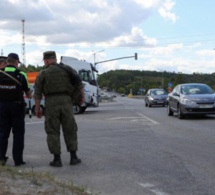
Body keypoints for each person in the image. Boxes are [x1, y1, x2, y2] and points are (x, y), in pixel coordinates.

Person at [34, 51, 84, 167]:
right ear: (55, 59)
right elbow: (79, 84)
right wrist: (82, 97)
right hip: (66, 102)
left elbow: (37, 93)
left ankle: (57, 160)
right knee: (70, 129)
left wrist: (37, 109)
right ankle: (74, 157)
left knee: (52, 131)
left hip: (51, 103)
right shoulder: (67, 69)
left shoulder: (43, 73)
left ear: (46, 60)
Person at [0, 53, 32, 166]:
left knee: (3, 133)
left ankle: (1, 159)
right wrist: (30, 94)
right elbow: (28, 94)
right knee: (18, 134)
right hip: (17, 107)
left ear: (7, 62)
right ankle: (18, 160)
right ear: (16, 62)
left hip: (2, 107)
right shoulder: (21, 74)